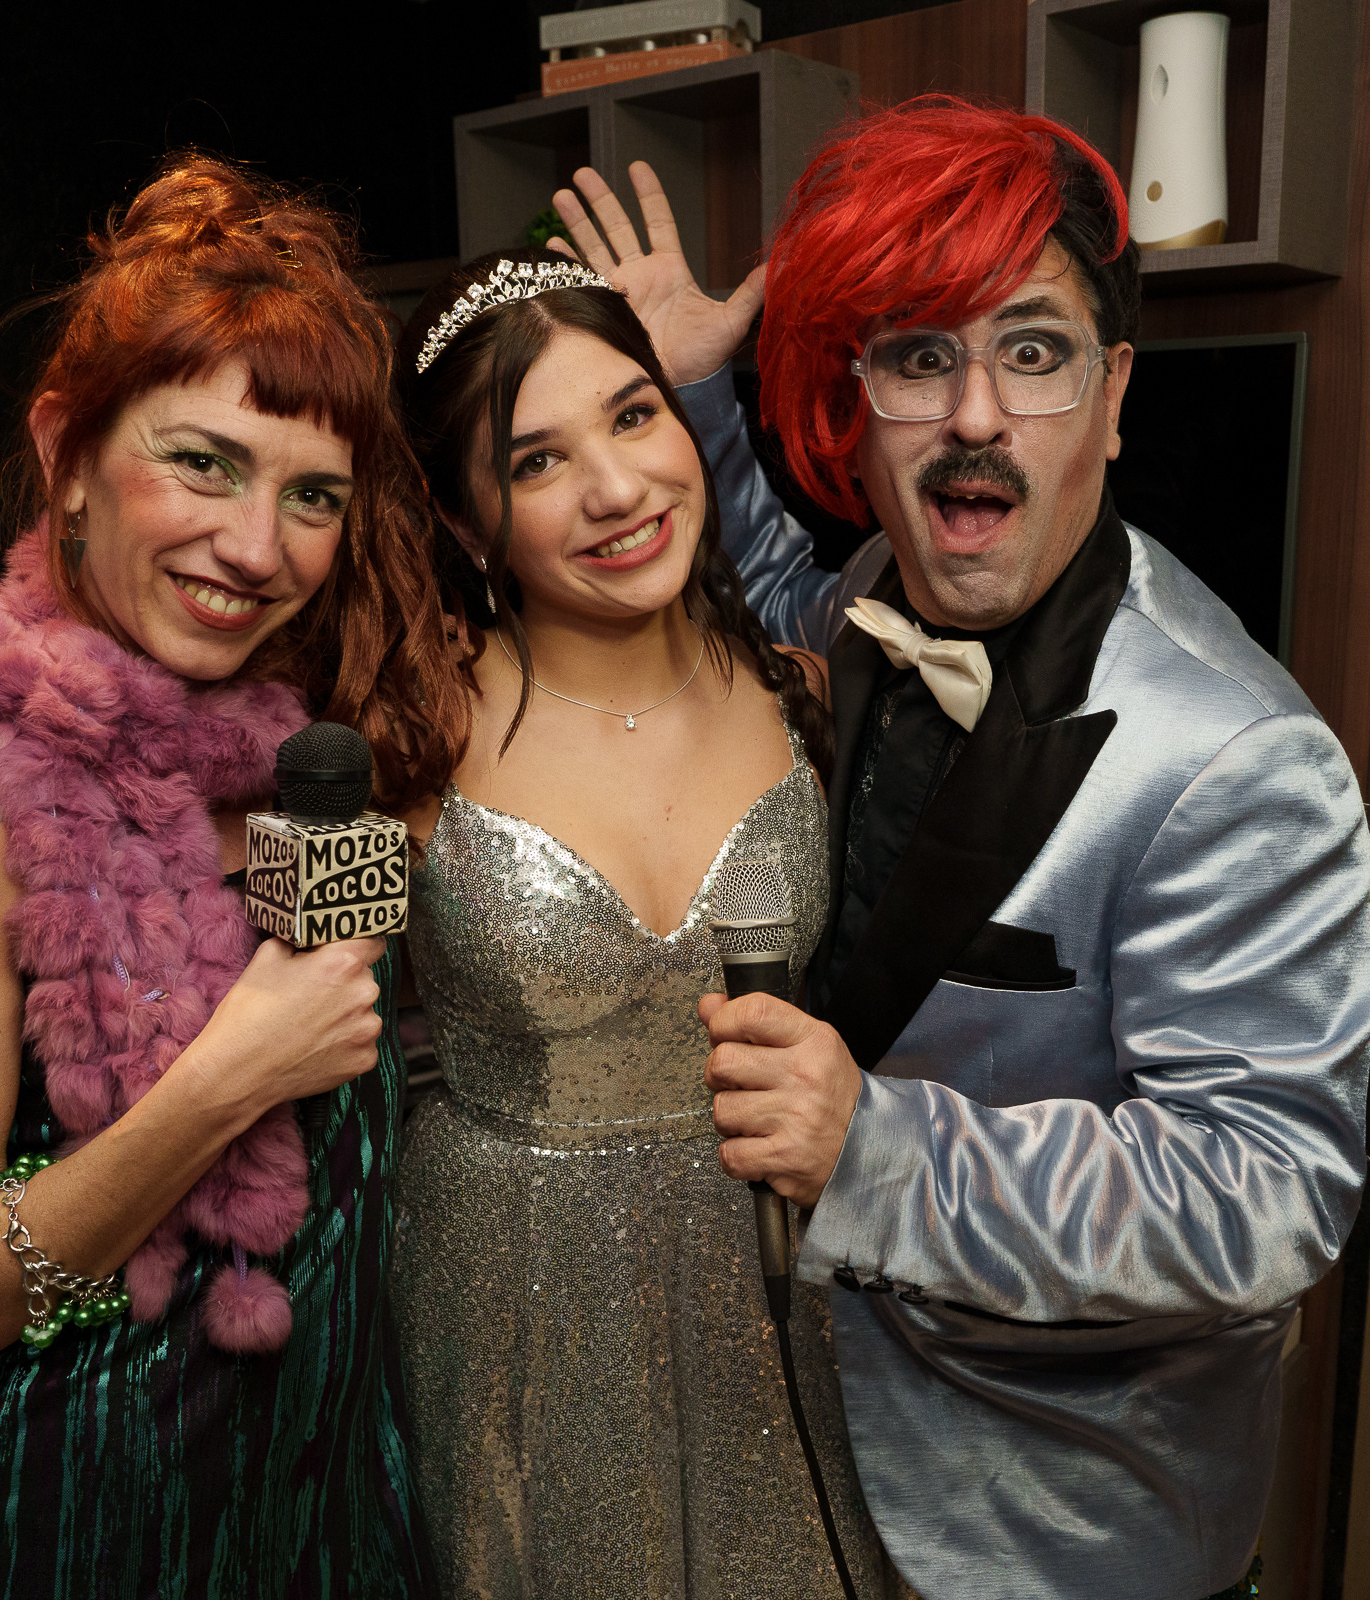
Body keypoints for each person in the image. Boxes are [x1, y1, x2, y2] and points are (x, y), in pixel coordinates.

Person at [548, 101, 1370, 1600]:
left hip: (1050, 1530)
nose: (977, 414)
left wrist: (876, 1150)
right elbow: (775, 587)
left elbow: (1265, 1191)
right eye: (921, 357)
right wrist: (699, 393)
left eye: (1034, 352)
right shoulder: (877, 593)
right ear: (858, 402)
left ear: (1113, 397)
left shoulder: (1239, 760)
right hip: (803, 1465)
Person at [0, 156, 468, 1598]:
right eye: (201, 462)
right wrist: (227, 1081)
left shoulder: (302, 767)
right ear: (67, 454)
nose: (256, 547)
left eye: (312, 495)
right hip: (91, 1534)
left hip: (338, 1527)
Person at [389, 251, 888, 1598]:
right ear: (465, 518)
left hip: (778, 1291)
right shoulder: (411, 738)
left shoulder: (801, 693)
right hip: (508, 1303)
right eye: (537, 461)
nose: (617, 489)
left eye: (633, 414)